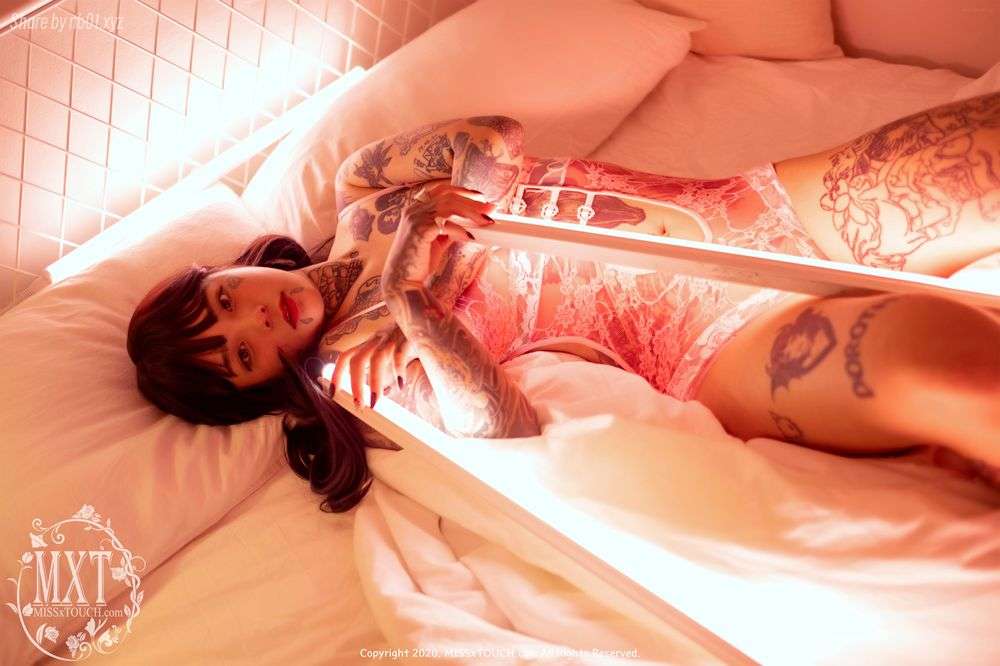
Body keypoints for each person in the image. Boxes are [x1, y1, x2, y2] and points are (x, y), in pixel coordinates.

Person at [127, 97, 1000, 514]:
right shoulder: (360, 369)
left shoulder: (360, 187)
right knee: (953, 378)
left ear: (227, 268)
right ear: (261, 386)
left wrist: (434, 237)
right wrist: (412, 299)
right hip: (719, 340)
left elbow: (495, 138)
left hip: (758, 208)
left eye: (224, 300)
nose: (254, 319)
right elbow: (501, 431)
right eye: (241, 354)